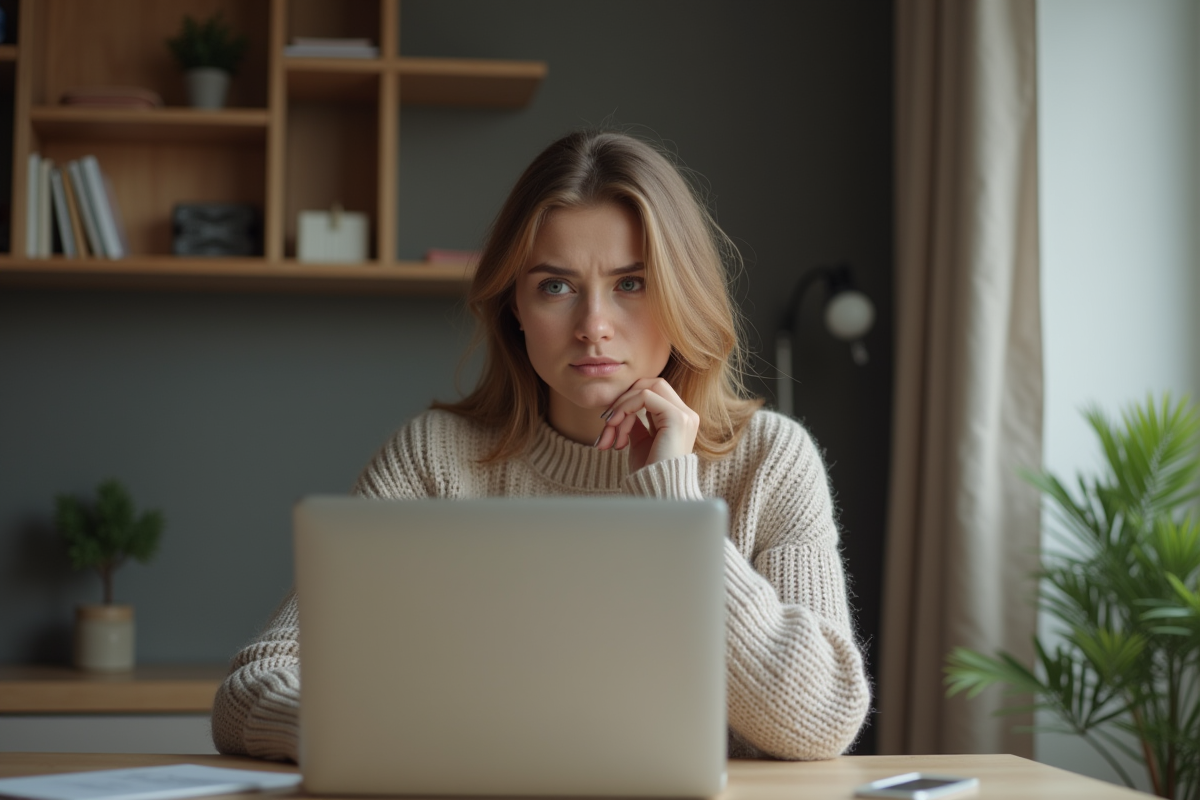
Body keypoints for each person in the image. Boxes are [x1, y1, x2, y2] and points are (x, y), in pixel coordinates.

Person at [211, 129, 871, 762]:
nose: (593, 328)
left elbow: (823, 717)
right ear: (514, 308)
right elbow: (251, 687)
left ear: (681, 295)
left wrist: (674, 509)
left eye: (630, 284)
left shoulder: (769, 461)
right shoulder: (434, 460)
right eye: (556, 287)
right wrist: (355, 733)